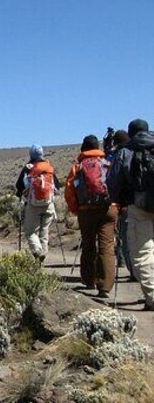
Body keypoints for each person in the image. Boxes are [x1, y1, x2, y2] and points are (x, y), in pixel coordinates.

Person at [107, 119, 154, 310]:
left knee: (142, 253)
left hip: (139, 206)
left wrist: (120, 199)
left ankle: (152, 297)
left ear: (130, 132)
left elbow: (113, 181)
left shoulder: (125, 152)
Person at [64, 135, 115, 298]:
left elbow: (69, 191)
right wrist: (117, 206)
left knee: (88, 244)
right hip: (108, 209)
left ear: (83, 148)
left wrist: (76, 209)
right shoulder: (108, 164)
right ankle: (105, 286)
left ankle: (89, 279)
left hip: (86, 210)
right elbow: (117, 185)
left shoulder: (77, 168)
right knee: (106, 245)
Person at [15, 145, 61, 263]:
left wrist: (20, 194)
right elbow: (57, 186)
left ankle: (37, 251)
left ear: (31, 155)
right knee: (44, 231)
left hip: (33, 204)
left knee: (31, 232)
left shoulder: (28, 168)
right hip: (48, 203)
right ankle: (42, 259)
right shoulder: (48, 167)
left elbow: (19, 186)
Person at [111, 130, 134, 279]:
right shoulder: (139, 151)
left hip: (127, 204)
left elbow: (114, 180)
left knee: (126, 236)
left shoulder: (121, 154)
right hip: (147, 201)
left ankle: (132, 270)